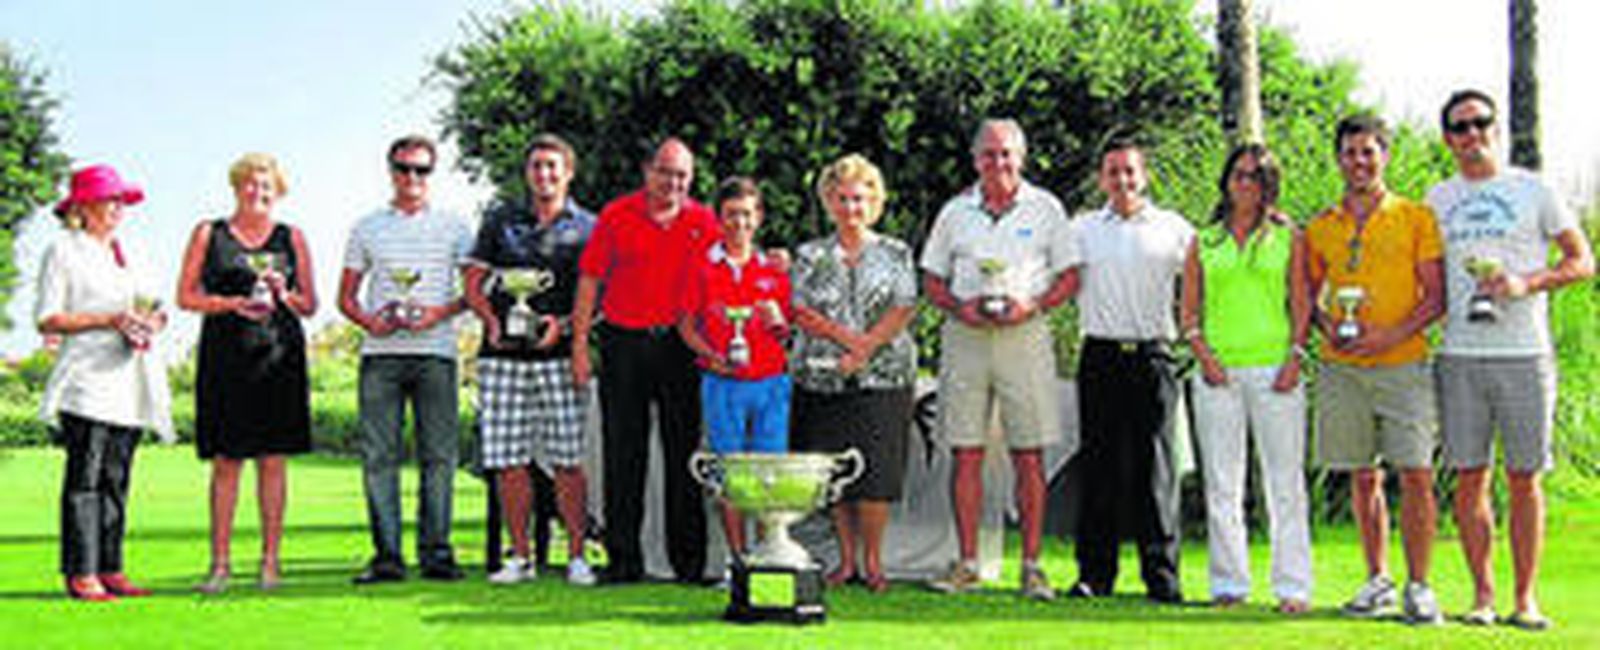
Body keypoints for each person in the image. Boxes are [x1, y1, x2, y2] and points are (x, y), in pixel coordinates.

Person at [1427, 90, 1595, 630]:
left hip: (1525, 354)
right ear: (1448, 139)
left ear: (1495, 128)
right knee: (1469, 477)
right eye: (1460, 127)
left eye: (1480, 123)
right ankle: (1482, 597)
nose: (1471, 135)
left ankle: (1525, 600)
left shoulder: (1534, 189)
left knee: (1525, 478)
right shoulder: (1438, 197)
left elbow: (1581, 260)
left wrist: (1527, 282)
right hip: (1458, 353)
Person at [921, 120, 1077, 600]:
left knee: (1028, 454)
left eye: (1006, 154)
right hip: (965, 336)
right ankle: (967, 564)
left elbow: (1070, 277)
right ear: (975, 160)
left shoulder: (1047, 208)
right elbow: (931, 279)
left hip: (1025, 336)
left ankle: (1031, 567)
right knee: (965, 452)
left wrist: (1033, 305)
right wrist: (956, 306)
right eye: (989, 154)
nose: (998, 162)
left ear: (1022, 157)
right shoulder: (954, 212)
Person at [1305, 114, 1446, 624]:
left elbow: (1436, 297)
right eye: (1349, 152)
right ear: (1338, 159)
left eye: (1368, 151)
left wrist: (1388, 335)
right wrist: (1328, 326)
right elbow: (1304, 294)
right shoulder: (1321, 225)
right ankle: (1377, 580)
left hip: (1403, 365)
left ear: (1384, 156)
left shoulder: (1416, 217)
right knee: (1363, 476)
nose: (1359, 161)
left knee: (1416, 474)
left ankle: (1420, 586)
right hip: (1342, 368)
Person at [572, 138, 718, 585]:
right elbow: (590, 281)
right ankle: (623, 562)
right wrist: (580, 344)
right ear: (647, 171)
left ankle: (689, 564)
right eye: (666, 172)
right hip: (623, 344)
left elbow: (726, 274)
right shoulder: (617, 215)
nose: (674, 182)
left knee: (684, 456)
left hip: (680, 347)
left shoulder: (704, 221)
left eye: (683, 175)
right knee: (623, 455)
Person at [1179, 144, 1313, 613]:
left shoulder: (1288, 237)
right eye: (1238, 175)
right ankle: (1229, 584)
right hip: (1217, 375)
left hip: (1277, 373)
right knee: (1222, 483)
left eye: (1255, 177)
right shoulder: (1204, 240)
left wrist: (1295, 357)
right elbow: (1189, 312)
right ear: (1226, 181)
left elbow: (1301, 304)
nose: (1245, 184)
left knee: (1284, 482)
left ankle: (1293, 588)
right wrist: (1205, 356)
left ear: (1268, 184)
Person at [177, 153, 317, 593]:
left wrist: (283, 293)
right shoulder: (208, 233)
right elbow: (186, 296)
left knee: (273, 462)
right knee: (226, 462)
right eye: (251, 183)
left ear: (278, 190)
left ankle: (270, 563)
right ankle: (220, 564)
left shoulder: (292, 237)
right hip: (226, 355)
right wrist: (231, 304)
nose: (258, 191)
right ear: (236, 186)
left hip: (279, 355)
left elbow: (310, 304)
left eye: (267, 185)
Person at [463, 134, 598, 586]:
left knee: (568, 460)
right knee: (508, 460)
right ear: (527, 173)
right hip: (502, 357)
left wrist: (565, 326)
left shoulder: (588, 226)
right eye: (537, 166)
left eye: (552, 167)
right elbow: (474, 279)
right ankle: (520, 557)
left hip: (559, 357)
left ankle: (577, 555)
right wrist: (491, 320)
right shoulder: (501, 219)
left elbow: (598, 295)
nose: (544, 174)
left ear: (568, 172)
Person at [339, 135, 474, 584]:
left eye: (421, 170)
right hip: (381, 356)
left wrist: (438, 312)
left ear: (431, 174)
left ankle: (436, 554)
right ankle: (387, 557)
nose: (412, 178)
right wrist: (369, 322)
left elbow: (473, 292)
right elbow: (346, 297)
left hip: (436, 354)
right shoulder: (366, 227)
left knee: (439, 457)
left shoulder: (455, 227)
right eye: (404, 168)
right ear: (390, 170)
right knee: (380, 458)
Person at [1065, 137, 1194, 604]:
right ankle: (1094, 576)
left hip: (1153, 356)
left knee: (1156, 468)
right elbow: (1057, 278)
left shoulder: (1175, 229)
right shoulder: (1081, 229)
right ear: (1101, 178)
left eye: (1130, 171)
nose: (1122, 180)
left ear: (1145, 176)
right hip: (1099, 356)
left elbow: (1206, 275)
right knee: (1098, 467)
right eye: (1113, 171)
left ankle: (1162, 577)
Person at [36, 164, 172, 601]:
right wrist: (109, 319)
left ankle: (111, 567)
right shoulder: (63, 250)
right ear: (82, 207)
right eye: (108, 200)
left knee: (117, 478)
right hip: (87, 381)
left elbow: (152, 305)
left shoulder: (129, 252)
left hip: (130, 382)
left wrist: (151, 322)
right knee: (86, 479)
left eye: (120, 201)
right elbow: (49, 317)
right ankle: (81, 571)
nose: (117, 208)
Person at [790, 155, 917, 594]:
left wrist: (866, 348)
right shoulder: (809, 255)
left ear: (875, 202)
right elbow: (801, 312)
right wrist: (850, 342)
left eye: (859, 199)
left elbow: (904, 307)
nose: (850, 208)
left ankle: (874, 562)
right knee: (835, 476)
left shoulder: (896, 252)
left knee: (877, 476)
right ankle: (845, 561)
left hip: (884, 379)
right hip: (824, 377)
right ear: (828, 202)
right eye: (841, 199)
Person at [677, 177, 793, 565]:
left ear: (758, 218)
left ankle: (767, 556)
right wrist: (709, 355)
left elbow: (787, 328)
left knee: (767, 476)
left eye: (746, 214)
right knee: (729, 473)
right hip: (722, 383)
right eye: (731, 215)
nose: (739, 223)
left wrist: (779, 326)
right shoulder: (702, 267)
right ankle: (738, 559)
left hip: (771, 383)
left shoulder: (775, 269)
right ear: (719, 218)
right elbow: (686, 325)